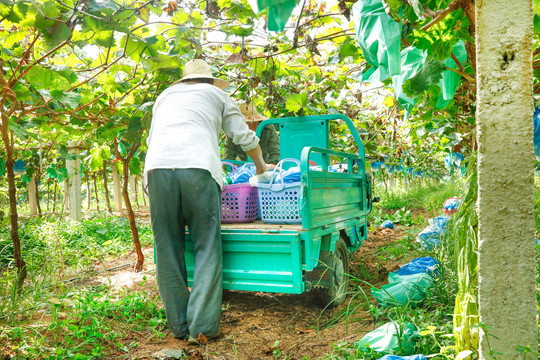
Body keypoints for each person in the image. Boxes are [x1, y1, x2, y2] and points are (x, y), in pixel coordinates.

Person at [143, 59, 272, 344]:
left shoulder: (164, 97)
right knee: (206, 246)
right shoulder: (217, 94)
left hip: (157, 169)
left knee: (167, 248)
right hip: (198, 169)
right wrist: (261, 166)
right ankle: (200, 328)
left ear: (185, 81)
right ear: (209, 81)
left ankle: (178, 325)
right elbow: (243, 136)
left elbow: (153, 140)